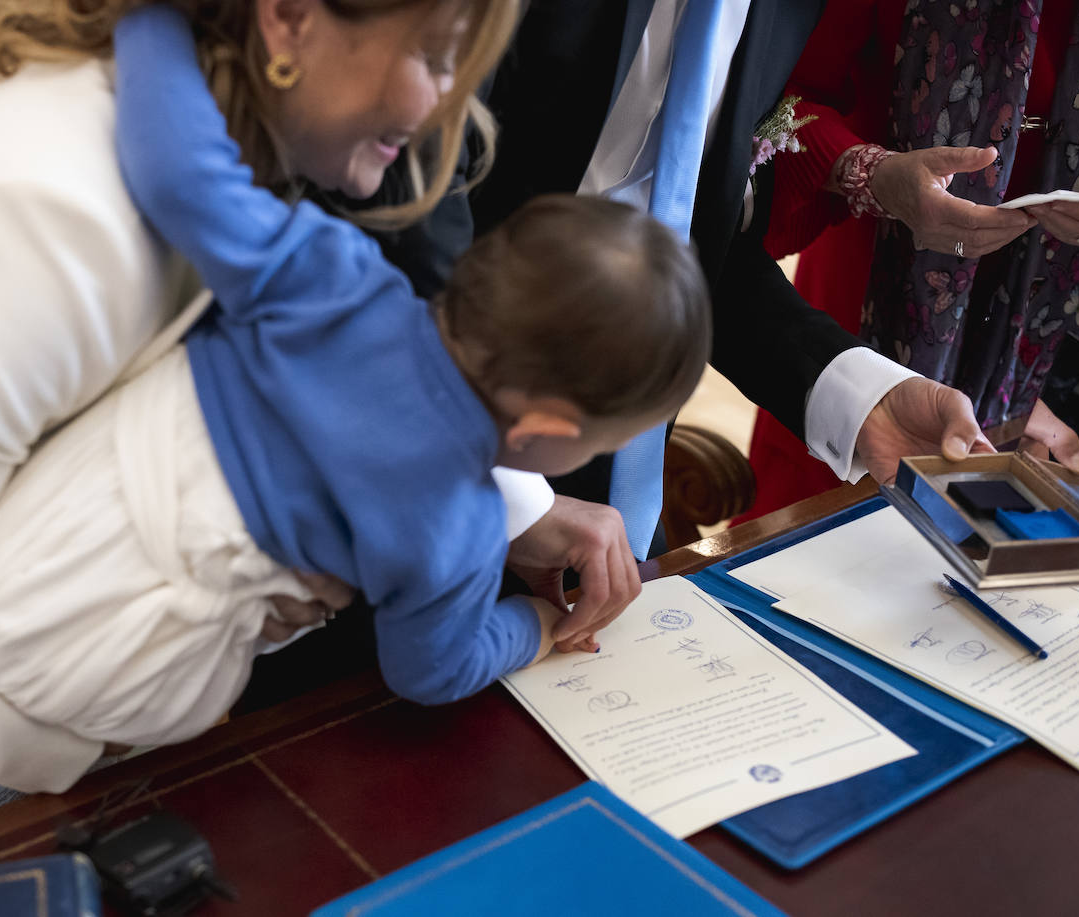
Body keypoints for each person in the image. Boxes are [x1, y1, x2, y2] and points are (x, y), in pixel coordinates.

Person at [0, 0, 525, 854]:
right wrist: (90, 747)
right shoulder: (54, 212)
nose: (450, 110)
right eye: (435, 56)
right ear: (287, 20)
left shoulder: (194, 142)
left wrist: (514, 504)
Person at [0, 5, 711, 761]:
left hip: (7, 542)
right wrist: (538, 623)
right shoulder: (457, 530)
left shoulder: (330, 275)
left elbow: (182, 175)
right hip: (95, 676)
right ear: (546, 430)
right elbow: (430, 670)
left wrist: (152, 15)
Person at [369, 0, 997, 659]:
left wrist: (860, 392)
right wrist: (504, 497)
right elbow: (406, 190)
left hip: (605, 501)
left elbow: (689, 237)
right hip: (397, 439)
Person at [741, 0, 1079, 522]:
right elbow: (764, 104)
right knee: (822, 560)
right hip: (873, 300)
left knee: (1044, 558)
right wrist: (868, 172)